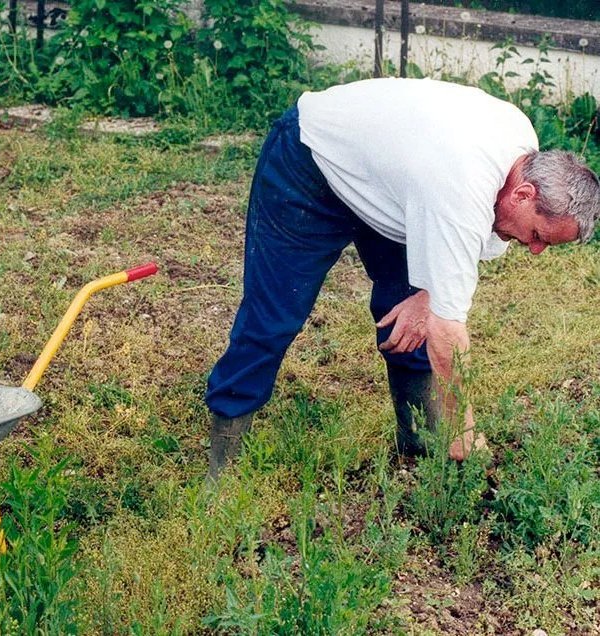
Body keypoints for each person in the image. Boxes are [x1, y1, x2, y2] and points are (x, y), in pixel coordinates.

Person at [205, 77, 600, 479]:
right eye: (537, 236)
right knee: (274, 315)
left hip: (395, 183)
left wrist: (428, 297)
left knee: (410, 303)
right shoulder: (461, 184)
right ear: (523, 195)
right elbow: (450, 332)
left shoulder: (519, 155)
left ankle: (417, 438)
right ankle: (224, 461)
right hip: (311, 161)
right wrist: (463, 430)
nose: (534, 250)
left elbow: (461, 257)